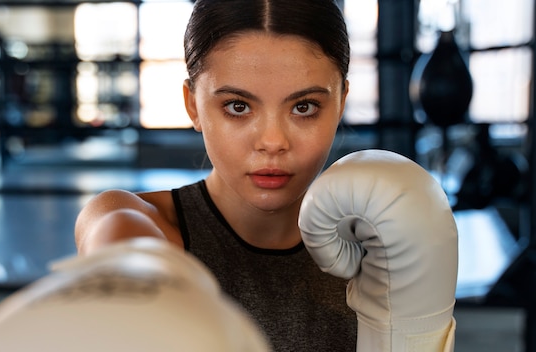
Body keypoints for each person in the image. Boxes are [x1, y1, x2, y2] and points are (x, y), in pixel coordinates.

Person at [75, 0, 357, 350]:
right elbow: (117, 241)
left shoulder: (378, 239)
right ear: (193, 104)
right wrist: (128, 275)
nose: (272, 142)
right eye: (238, 107)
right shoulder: (143, 222)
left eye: (304, 107)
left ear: (342, 102)